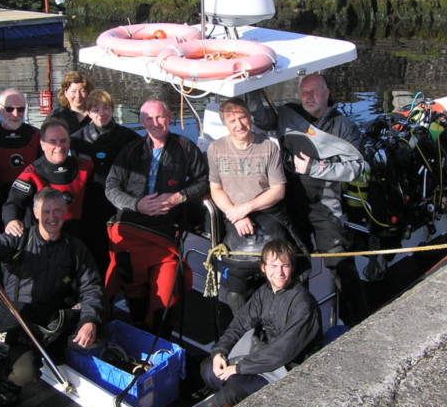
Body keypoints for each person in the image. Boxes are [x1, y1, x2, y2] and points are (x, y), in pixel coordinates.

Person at [0, 187, 105, 405]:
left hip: (56, 316)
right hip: (22, 318)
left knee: (98, 334)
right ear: (35, 213)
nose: (52, 218)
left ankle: (56, 351)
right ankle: (10, 384)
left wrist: (89, 321)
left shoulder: (75, 248)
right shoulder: (17, 240)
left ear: (64, 212)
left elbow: (91, 287)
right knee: (25, 374)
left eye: (57, 211)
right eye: (46, 212)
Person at [247, 73, 369, 327]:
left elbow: (358, 168)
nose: (309, 97)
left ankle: (358, 323)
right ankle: (296, 324)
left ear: (327, 94)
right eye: (304, 92)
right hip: (292, 204)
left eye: (315, 92)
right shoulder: (287, 116)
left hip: (326, 207)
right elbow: (261, 118)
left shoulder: (343, 126)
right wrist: (252, 84)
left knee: (340, 264)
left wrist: (314, 168)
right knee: (294, 266)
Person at [104, 99, 208, 336]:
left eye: (160, 117)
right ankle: (139, 328)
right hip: (131, 228)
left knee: (168, 294)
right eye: (149, 118)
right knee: (132, 287)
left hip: (165, 231)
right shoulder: (130, 151)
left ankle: (159, 335)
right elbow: (111, 187)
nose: (155, 123)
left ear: (169, 117)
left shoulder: (184, 147)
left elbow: (202, 181)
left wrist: (179, 197)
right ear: (141, 121)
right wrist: (136, 204)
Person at [189, 238, 322, 407]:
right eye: (274, 266)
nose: (280, 272)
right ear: (263, 267)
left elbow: (283, 351)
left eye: (285, 266)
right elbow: (239, 324)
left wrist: (239, 368)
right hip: (261, 355)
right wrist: (220, 352)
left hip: (288, 367)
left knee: (234, 388)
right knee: (208, 369)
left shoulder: (303, 305)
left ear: (292, 267)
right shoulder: (264, 292)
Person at [207, 98, 295, 313]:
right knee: (236, 294)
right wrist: (234, 215)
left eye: (243, 117)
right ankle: (247, 333)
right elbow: (216, 189)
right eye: (232, 120)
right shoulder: (215, 149)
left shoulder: (268, 147)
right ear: (225, 124)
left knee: (279, 276)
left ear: (250, 117)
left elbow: (277, 190)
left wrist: (244, 209)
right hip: (234, 218)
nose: (239, 125)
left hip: (267, 215)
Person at [71, 90, 140, 274]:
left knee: (122, 255)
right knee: (95, 253)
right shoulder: (76, 141)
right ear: (87, 112)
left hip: (120, 204)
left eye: (106, 108)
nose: (102, 113)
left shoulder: (130, 138)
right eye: (96, 109)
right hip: (90, 205)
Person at [2, 118, 93, 238]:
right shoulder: (31, 174)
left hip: (80, 237)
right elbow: (13, 203)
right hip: (44, 240)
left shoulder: (86, 167)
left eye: (63, 141)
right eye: (53, 142)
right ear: (42, 144)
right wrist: (12, 220)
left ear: (69, 142)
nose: (59, 147)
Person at [0, 88, 41, 232]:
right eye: (9, 109)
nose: (15, 114)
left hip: (31, 205)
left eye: (21, 109)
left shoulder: (37, 137)